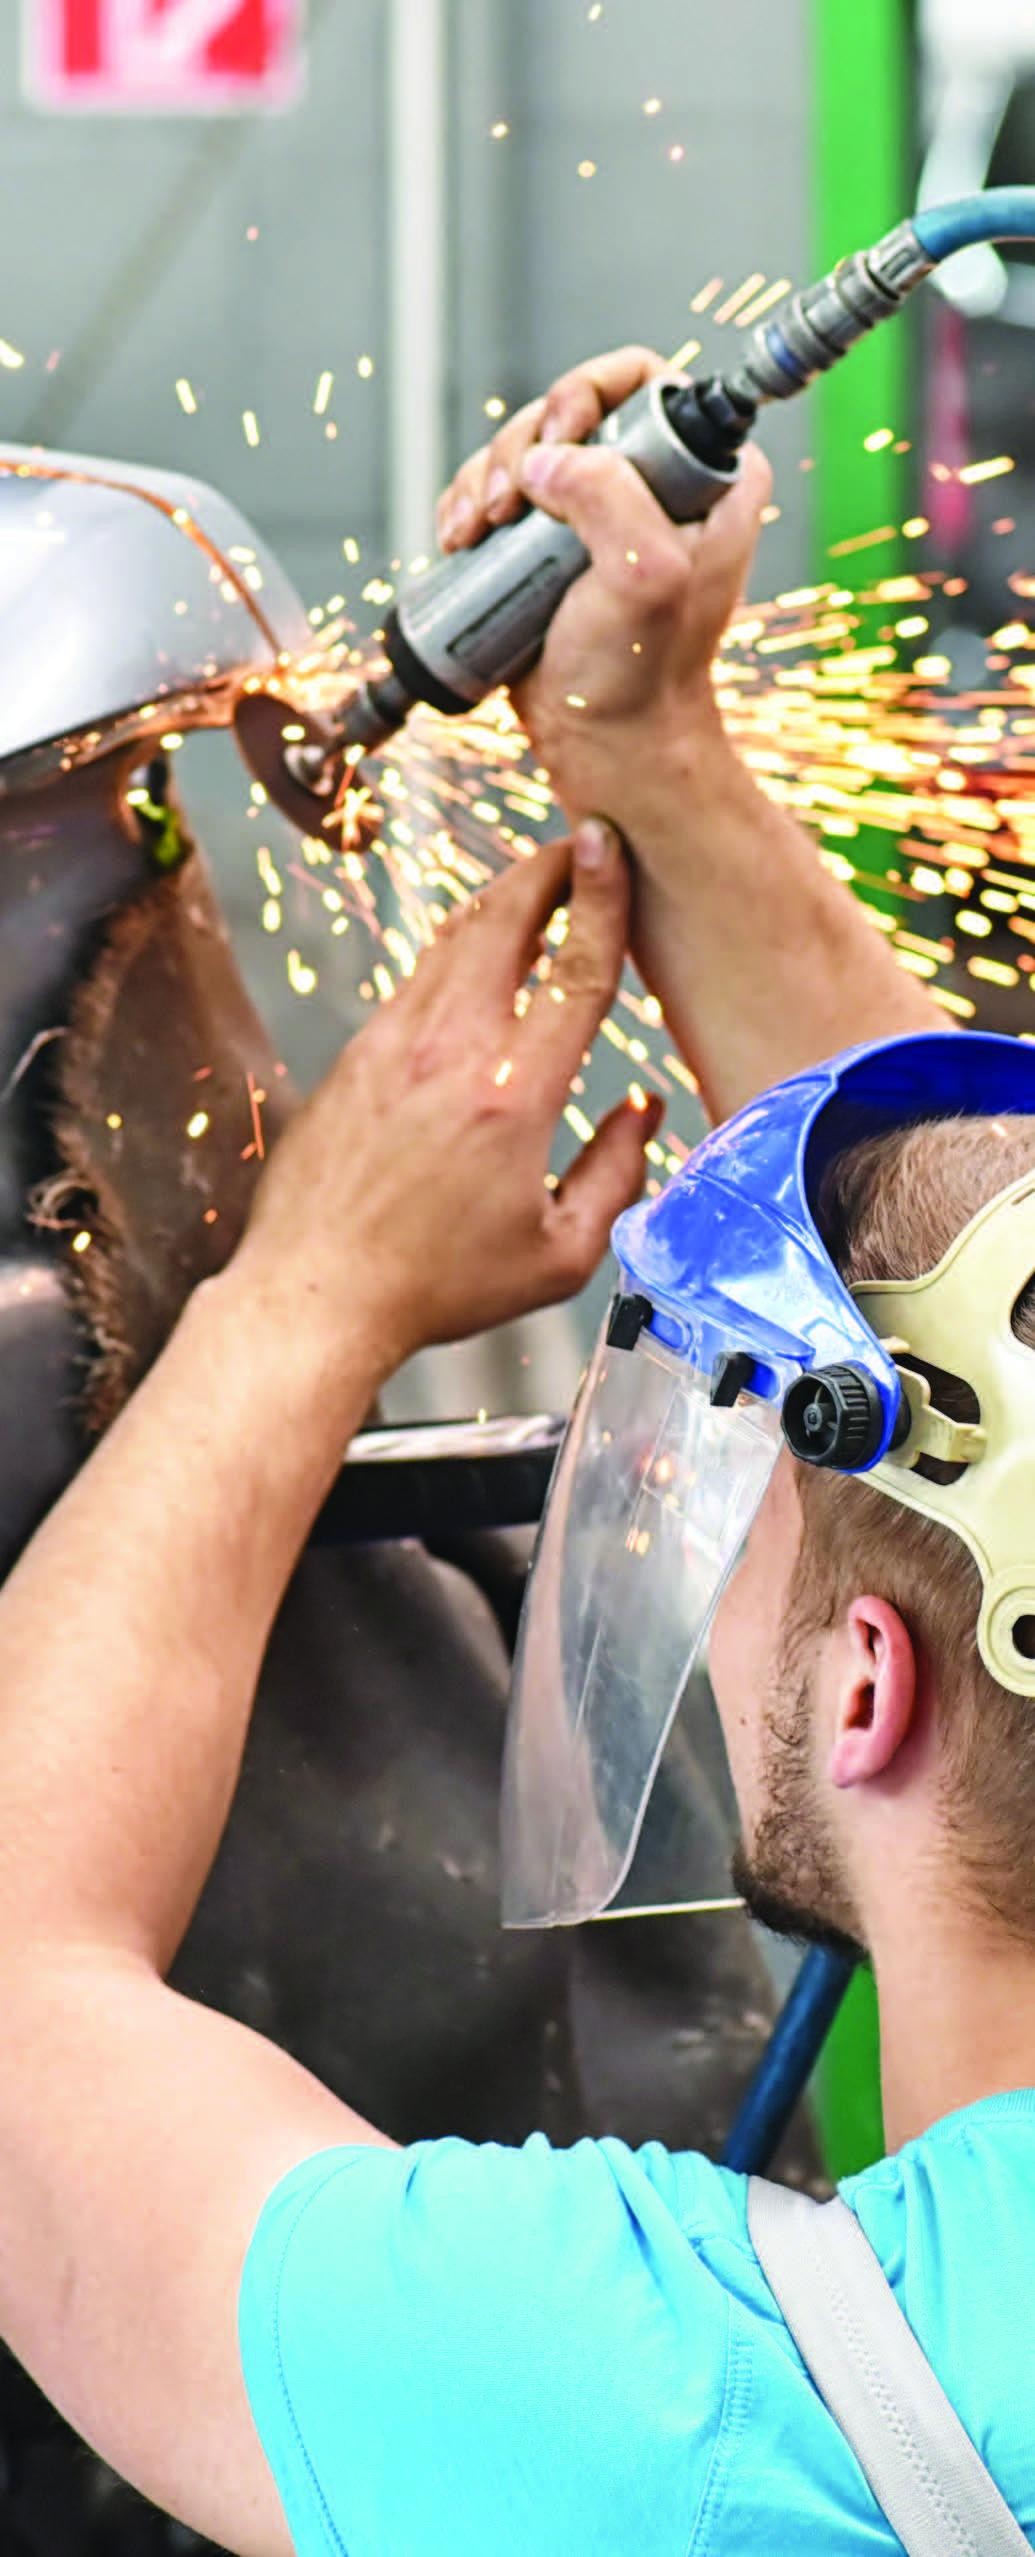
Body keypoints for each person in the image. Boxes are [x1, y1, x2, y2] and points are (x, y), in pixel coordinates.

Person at [0, 341, 1028, 2557]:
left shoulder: (676, 2419)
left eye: (763, 1491)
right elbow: (986, 1285)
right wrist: (660, 764)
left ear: (868, 1682)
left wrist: (305, 1290)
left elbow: (15, 1994)